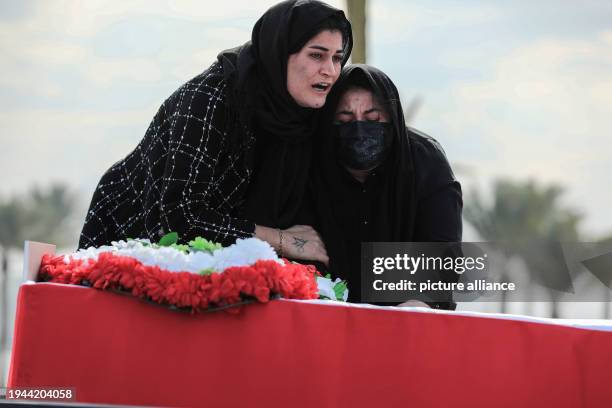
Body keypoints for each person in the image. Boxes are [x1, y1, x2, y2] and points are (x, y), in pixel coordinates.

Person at [79, 0, 352, 267]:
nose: (329, 70)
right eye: (316, 55)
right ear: (279, 53)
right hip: (129, 239)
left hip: (214, 258)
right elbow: (180, 219)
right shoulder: (209, 99)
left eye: (337, 58)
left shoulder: (302, 112)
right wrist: (281, 240)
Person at [311, 64, 462, 309]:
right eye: (345, 119)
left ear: (392, 118)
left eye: (372, 118)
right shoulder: (312, 161)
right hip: (326, 313)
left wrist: (418, 303)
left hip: (411, 317)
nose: (359, 130)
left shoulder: (424, 161)